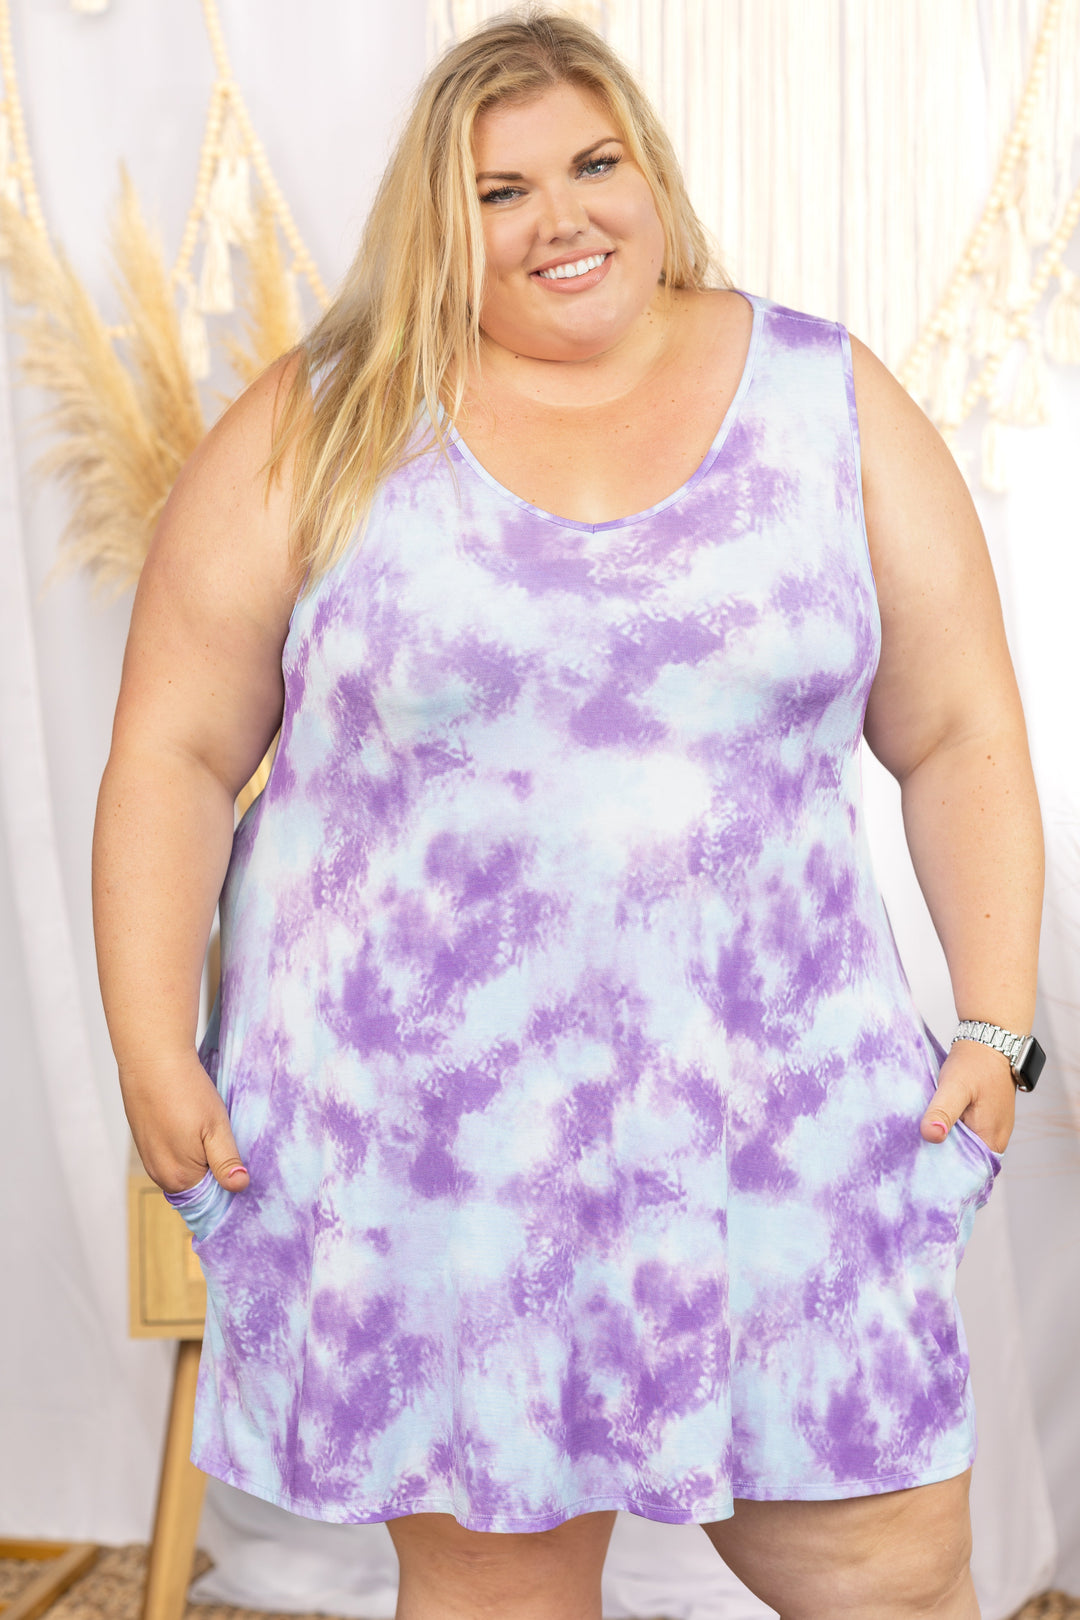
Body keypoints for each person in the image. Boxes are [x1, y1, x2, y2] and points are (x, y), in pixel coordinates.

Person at [92, 10, 1044, 1619]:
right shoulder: (330, 418)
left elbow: (960, 731)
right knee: (497, 1593)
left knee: (890, 1568)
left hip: (780, 1126)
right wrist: (149, 1047)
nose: (564, 217)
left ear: (650, 172)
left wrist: (997, 1023)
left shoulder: (825, 399)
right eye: (501, 190)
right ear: (436, 222)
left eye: (595, 164)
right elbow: (174, 750)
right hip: (440, 1155)